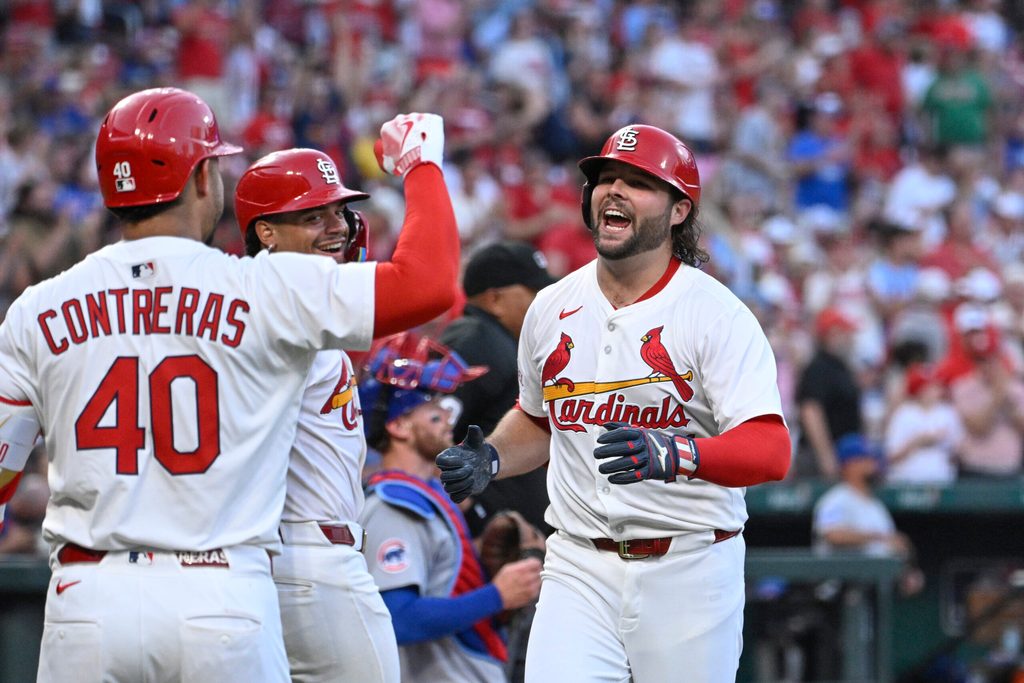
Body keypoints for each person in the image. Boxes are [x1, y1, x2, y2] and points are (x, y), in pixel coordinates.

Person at [0, 87, 458, 682]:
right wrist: (421, 166)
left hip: (86, 596)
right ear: (199, 178)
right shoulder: (263, 287)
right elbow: (429, 285)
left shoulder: (39, 307)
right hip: (219, 594)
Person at [434, 124, 791, 683]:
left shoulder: (715, 313)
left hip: (689, 565)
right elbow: (540, 420)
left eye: (639, 182)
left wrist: (679, 455)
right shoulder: (551, 305)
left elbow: (770, 450)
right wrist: (494, 458)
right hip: (577, 562)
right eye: (606, 178)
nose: (614, 190)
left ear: (679, 210)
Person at [232, 147, 401, 682]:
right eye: (313, 215)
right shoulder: (280, 303)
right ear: (266, 233)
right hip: (309, 555)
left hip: (280, 557)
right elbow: (431, 283)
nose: (337, 227)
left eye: (338, 212)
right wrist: (423, 170)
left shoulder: (257, 301)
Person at [358, 333, 543, 683]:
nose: (445, 416)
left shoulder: (429, 493)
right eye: (430, 410)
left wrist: (483, 566)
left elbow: (441, 585)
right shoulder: (395, 505)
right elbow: (398, 618)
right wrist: (496, 595)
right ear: (397, 426)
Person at [439, 240, 556, 536]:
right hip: (488, 538)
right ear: (494, 300)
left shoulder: (502, 341)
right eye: (534, 292)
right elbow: (429, 427)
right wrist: (470, 510)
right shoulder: (476, 340)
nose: (545, 301)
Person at [812, 433, 924, 594]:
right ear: (850, 464)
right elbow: (832, 534)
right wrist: (877, 537)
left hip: (874, 589)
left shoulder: (877, 506)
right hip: (839, 592)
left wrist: (906, 568)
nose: (874, 463)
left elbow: (887, 547)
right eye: (867, 459)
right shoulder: (834, 500)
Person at [795, 307, 863, 480]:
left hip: (844, 454)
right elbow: (810, 410)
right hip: (820, 459)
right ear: (832, 334)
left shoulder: (839, 367)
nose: (851, 338)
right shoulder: (819, 368)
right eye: (846, 332)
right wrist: (826, 456)